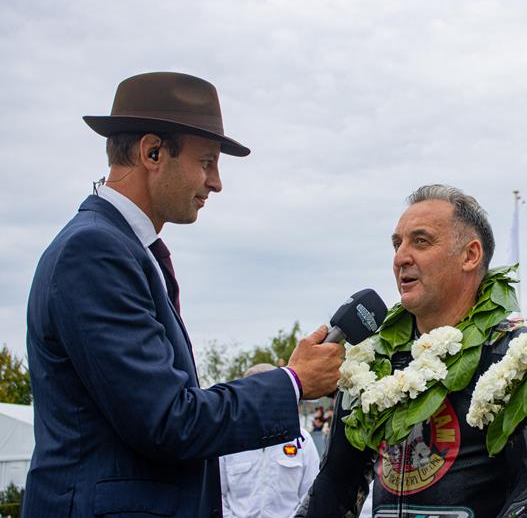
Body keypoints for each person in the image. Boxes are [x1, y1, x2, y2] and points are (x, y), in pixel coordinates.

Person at [23, 72, 343, 517]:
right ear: (152, 152)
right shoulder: (94, 251)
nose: (216, 182)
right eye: (207, 161)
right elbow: (168, 421)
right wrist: (293, 382)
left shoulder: (121, 248)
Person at [300, 185, 527, 518]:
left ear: (470, 256)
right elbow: (335, 483)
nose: (401, 258)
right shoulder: (372, 360)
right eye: (397, 244)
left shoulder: (516, 355)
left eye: (421, 241)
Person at [220, 363, 321, 518]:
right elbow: (218, 496)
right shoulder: (228, 440)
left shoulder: (302, 440)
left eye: (268, 394)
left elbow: (310, 495)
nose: (262, 401)